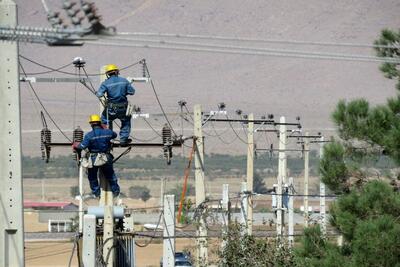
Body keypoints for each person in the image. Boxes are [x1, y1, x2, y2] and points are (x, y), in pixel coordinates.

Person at [73, 114, 120, 197]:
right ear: (100, 123)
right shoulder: (108, 132)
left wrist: (76, 145)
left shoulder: (89, 135)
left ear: (91, 124)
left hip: (94, 158)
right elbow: (115, 135)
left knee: (92, 177)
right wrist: (105, 128)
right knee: (110, 175)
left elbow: (82, 146)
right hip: (106, 157)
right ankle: (115, 191)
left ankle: (97, 194)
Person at [96, 64, 135, 145]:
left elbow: (99, 94)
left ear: (108, 73)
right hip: (123, 108)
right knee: (126, 121)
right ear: (117, 72)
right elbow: (132, 92)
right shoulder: (124, 81)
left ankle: (107, 138)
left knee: (104, 120)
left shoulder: (105, 83)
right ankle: (123, 140)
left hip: (111, 109)